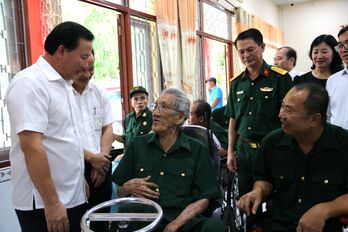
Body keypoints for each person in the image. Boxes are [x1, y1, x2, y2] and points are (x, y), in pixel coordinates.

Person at [5, 21, 94, 232]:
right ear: (62, 51)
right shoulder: (30, 83)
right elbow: (32, 147)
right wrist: (52, 202)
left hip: (70, 196)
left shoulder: (63, 84)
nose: (86, 65)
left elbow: (65, 139)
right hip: (44, 204)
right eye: (83, 56)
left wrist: (79, 179)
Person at [237, 83, 348, 232]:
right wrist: (258, 191)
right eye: (283, 106)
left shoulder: (343, 144)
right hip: (278, 224)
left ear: (314, 119)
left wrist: (326, 209)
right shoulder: (272, 142)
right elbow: (264, 179)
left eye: (289, 110)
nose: (280, 115)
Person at [112, 88, 227, 232]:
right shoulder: (138, 145)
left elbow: (205, 199)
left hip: (183, 220)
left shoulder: (197, 149)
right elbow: (120, 193)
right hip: (145, 220)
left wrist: (175, 224)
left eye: (164, 107)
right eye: (155, 107)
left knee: (215, 227)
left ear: (179, 118)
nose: (155, 113)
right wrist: (126, 188)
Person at [225, 28, 292, 196]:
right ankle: (250, 224)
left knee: (274, 196)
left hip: (271, 149)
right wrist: (230, 152)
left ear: (262, 47)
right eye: (241, 52)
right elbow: (233, 119)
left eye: (250, 49)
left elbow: (288, 118)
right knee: (245, 197)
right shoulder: (236, 83)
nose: (246, 55)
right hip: (244, 150)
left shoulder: (280, 78)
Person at [72, 51, 115, 232]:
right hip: (73, 164)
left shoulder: (99, 93)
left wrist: (102, 160)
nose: (87, 74)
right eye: (82, 70)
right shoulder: (62, 95)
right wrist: (90, 160)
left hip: (101, 163)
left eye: (91, 69)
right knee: (76, 220)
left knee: (101, 220)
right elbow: (61, 139)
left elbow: (107, 128)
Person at [327, 25, 348, 130]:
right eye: (340, 45)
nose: (343, 50)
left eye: (347, 43)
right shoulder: (332, 80)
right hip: (338, 142)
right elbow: (328, 115)